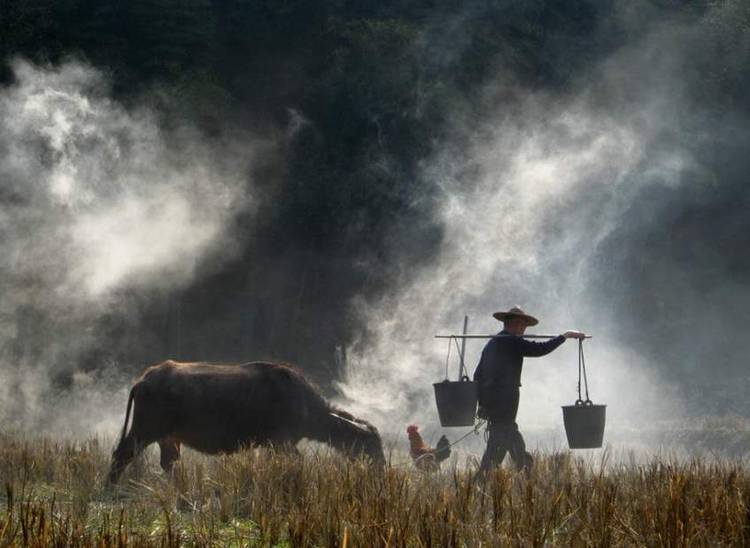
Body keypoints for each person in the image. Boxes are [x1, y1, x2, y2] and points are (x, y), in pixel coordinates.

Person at [473, 306, 585, 476]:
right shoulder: (511, 341)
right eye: (520, 324)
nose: (522, 328)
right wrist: (564, 336)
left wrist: (482, 403)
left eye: (524, 325)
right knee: (503, 434)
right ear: (511, 324)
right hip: (505, 399)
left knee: (503, 435)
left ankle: (522, 468)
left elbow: (477, 375)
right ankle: (520, 468)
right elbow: (539, 349)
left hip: (493, 401)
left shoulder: (493, 343)